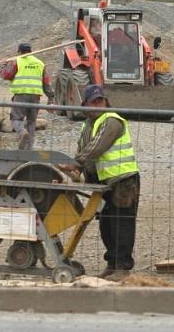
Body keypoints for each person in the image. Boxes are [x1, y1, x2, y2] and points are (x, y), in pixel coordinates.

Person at [61, 84, 140, 280]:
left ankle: (122, 267)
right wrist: (78, 169)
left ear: (105, 101)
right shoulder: (87, 125)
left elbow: (97, 147)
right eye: (93, 102)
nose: (97, 105)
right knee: (106, 224)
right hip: (104, 182)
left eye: (100, 101)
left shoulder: (112, 121)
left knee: (122, 223)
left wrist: (76, 163)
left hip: (123, 180)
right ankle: (112, 263)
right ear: (85, 105)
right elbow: (85, 148)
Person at [0, 43, 55, 150]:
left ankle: (21, 133)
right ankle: (28, 149)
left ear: (19, 51)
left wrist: (3, 66)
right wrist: (51, 97)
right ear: (30, 51)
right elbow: (46, 82)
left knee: (16, 119)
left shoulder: (16, 61)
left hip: (21, 95)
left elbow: (6, 75)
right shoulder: (40, 63)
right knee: (32, 122)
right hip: (35, 96)